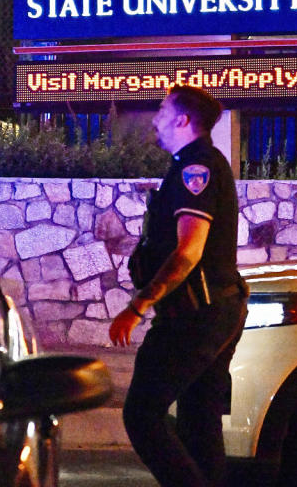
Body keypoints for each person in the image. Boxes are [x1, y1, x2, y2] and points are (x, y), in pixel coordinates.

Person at [109, 85, 248, 487]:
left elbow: (188, 251)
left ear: (183, 120)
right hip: (214, 309)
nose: (154, 118)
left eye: (162, 109)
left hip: (195, 316)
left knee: (142, 415)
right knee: (199, 419)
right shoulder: (192, 163)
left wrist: (138, 306)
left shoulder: (196, 168)